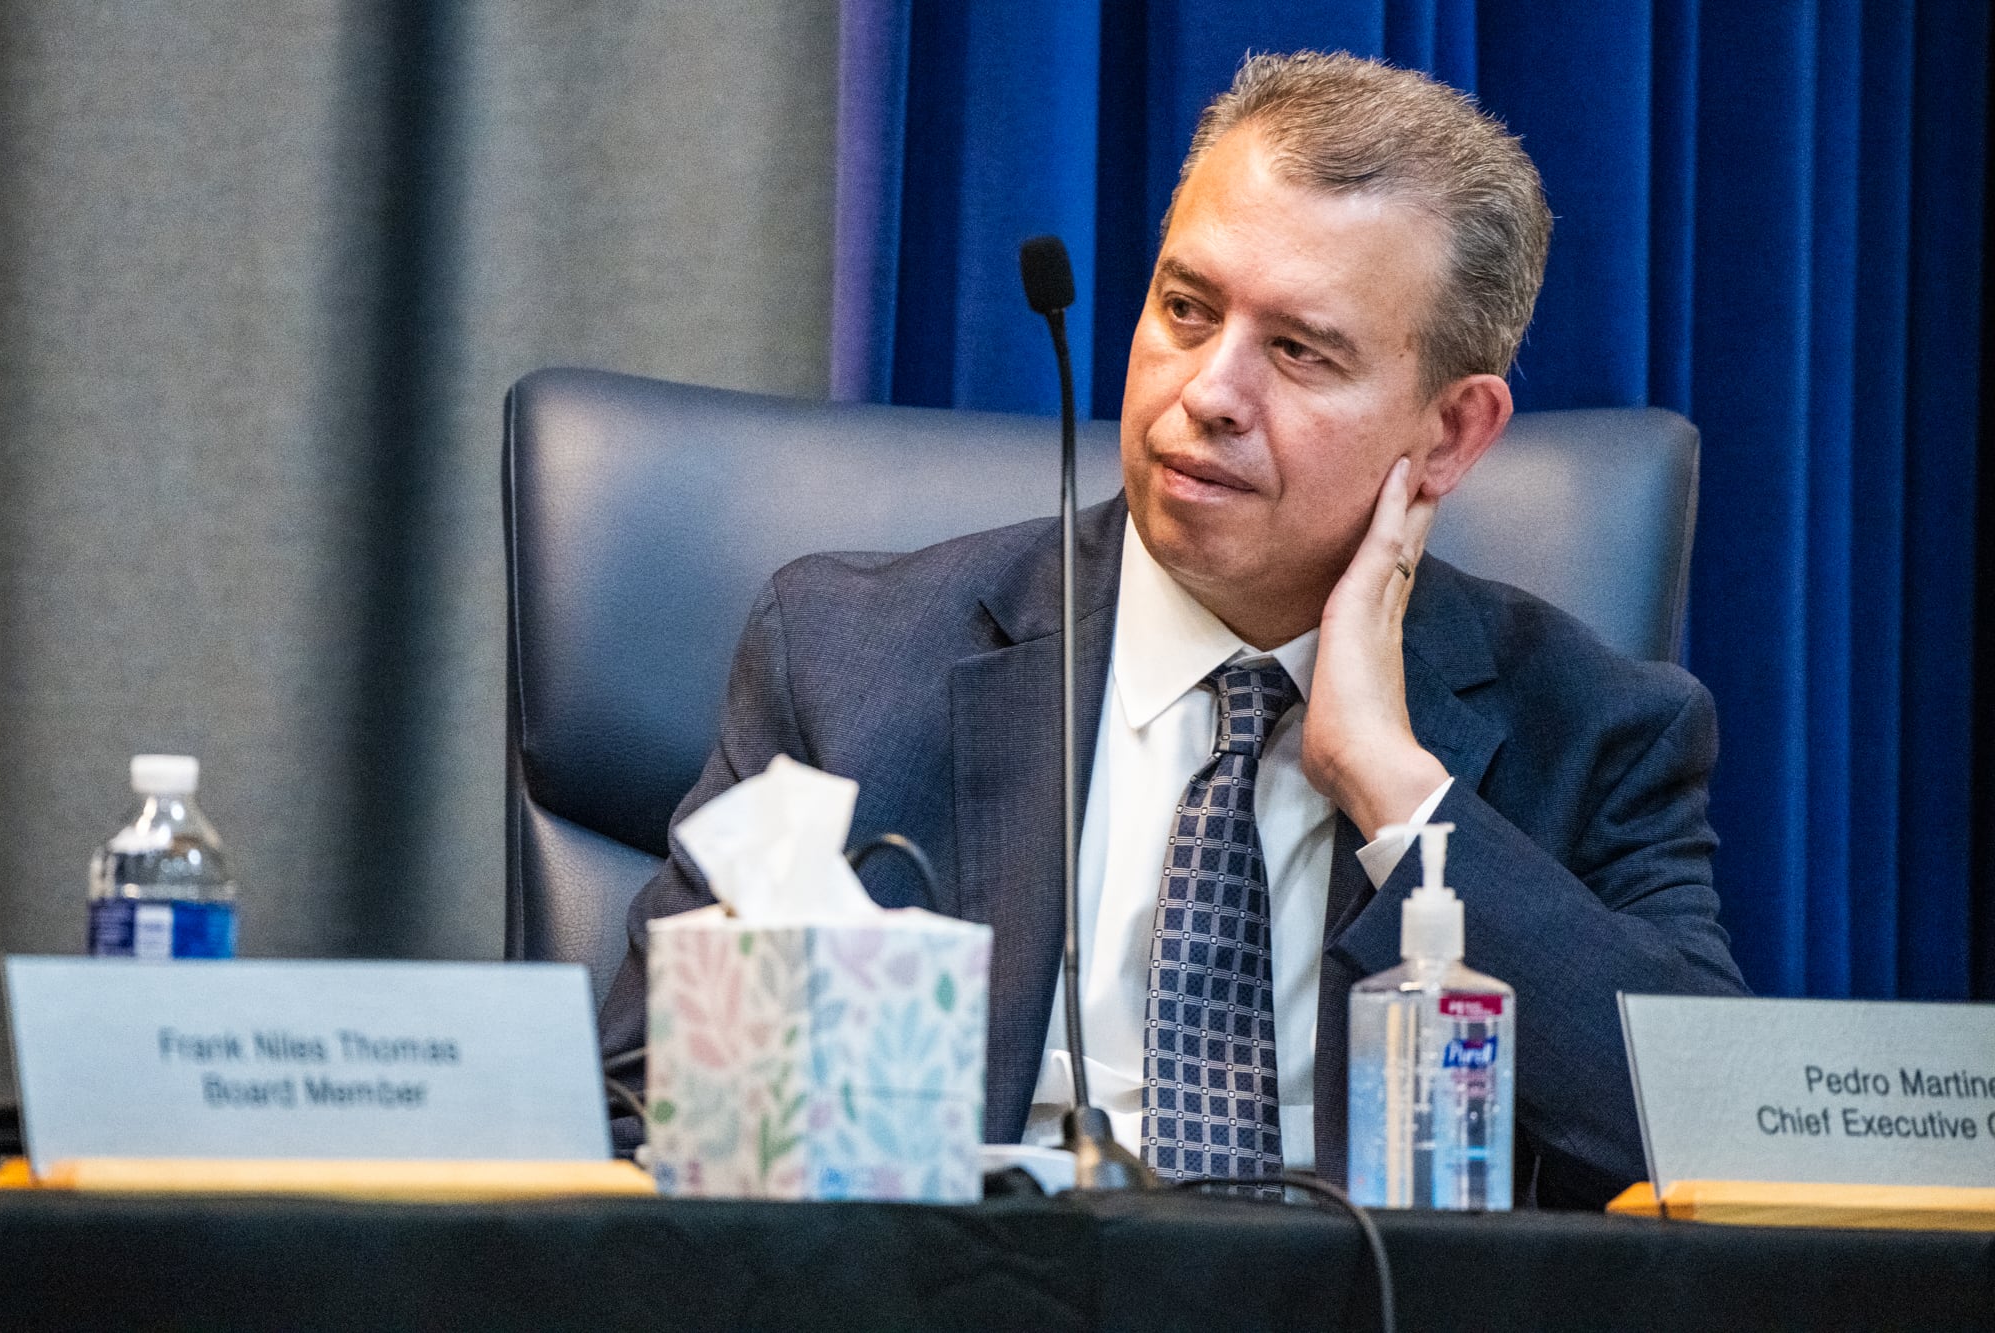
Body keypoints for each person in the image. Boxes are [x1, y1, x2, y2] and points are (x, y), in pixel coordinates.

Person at [598, 50, 1747, 1208]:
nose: (1206, 391)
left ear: (1450, 433)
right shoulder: (850, 660)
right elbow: (636, 1109)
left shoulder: (1594, 734)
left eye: (1298, 351)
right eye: (1185, 310)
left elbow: (1713, 1149)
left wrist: (1396, 794)